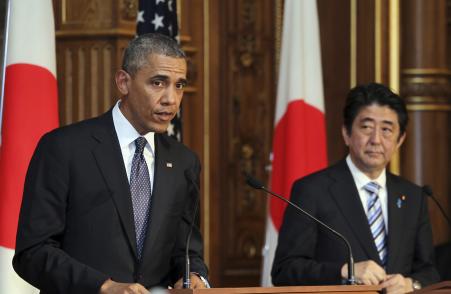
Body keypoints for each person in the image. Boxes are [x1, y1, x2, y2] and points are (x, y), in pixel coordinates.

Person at [13, 33, 209, 294]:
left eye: (179, 85)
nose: (171, 99)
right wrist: (103, 287)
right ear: (124, 82)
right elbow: (33, 252)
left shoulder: (184, 161)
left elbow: (186, 250)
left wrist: (194, 275)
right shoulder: (64, 148)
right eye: (158, 83)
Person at [272, 83, 440, 293]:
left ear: (400, 140)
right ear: (346, 133)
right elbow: (284, 271)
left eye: (387, 129)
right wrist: (345, 271)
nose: (376, 140)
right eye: (366, 127)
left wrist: (410, 284)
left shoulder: (414, 197)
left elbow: (429, 272)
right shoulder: (312, 190)